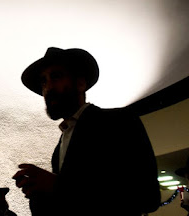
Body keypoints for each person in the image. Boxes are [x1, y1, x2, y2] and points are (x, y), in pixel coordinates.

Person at [13, 47, 161, 216]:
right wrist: (40, 195)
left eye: (56, 76)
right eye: (44, 82)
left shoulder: (119, 120)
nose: (48, 88)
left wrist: (57, 186)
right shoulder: (59, 148)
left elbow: (147, 198)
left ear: (80, 83)